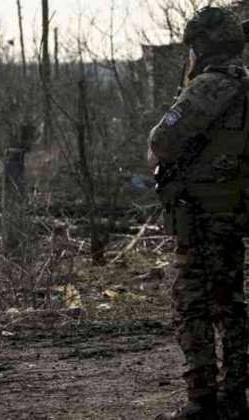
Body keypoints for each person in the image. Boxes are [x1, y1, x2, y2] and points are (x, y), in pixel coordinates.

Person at [148, 7, 249, 420]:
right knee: (231, 304)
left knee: (191, 305)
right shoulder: (243, 85)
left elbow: (162, 142)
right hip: (233, 211)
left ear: (202, 46)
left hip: (201, 216)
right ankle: (234, 397)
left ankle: (201, 400)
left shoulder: (207, 87)